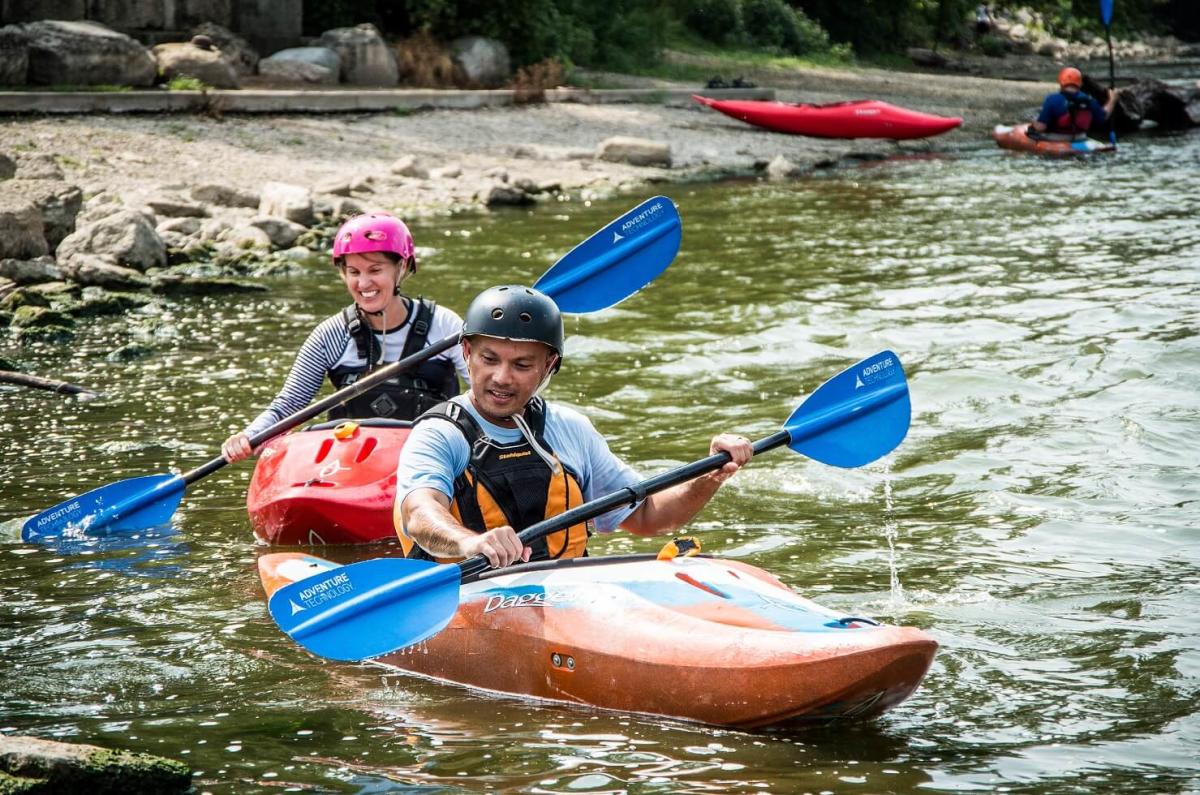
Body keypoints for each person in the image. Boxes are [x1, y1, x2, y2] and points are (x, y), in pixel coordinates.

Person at [393, 284, 754, 568]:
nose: (501, 377)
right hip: (469, 595)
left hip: (565, 596)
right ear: (467, 353)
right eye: (489, 359)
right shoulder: (440, 434)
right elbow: (420, 515)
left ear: (549, 366)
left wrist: (710, 475)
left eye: (522, 365)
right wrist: (470, 542)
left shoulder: (570, 430)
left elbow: (646, 516)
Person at [221, 213, 468, 463]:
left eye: (375, 270)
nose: (363, 283)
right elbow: (289, 406)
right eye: (353, 272)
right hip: (353, 465)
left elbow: (486, 393)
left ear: (401, 267)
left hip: (430, 459)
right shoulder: (331, 334)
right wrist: (249, 435)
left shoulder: (445, 326)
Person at [1030, 67, 1119, 140]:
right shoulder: (1089, 99)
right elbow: (1103, 117)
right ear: (1079, 84)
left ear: (1061, 83)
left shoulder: (1052, 99)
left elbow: (1041, 127)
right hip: (1080, 137)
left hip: (1057, 138)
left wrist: (1033, 122)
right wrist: (1112, 100)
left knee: (1032, 130)